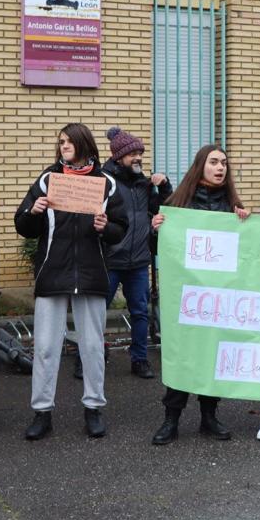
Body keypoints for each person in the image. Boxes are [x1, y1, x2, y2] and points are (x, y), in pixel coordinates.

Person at [14, 123, 127, 440]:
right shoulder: (47, 180)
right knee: (46, 348)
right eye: (60, 141)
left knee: (91, 346)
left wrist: (106, 226)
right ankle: (42, 412)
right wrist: (33, 211)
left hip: (91, 274)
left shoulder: (106, 184)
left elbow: (122, 228)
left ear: (83, 144)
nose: (63, 146)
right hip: (53, 273)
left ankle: (93, 408)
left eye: (68, 141)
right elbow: (23, 225)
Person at [149, 144, 248, 444]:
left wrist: (247, 225)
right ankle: (171, 418)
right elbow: (157, 251)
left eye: (224, 163)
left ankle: (209, 416)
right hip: (187, 299)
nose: (220, 168)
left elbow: (248, 254)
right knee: (182, 354)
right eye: (214, 162)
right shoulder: (179, 204)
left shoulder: (233, 208)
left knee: (212, 355)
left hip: (219, 299)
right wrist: (156, 231)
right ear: (200, 166)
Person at [102, 126, 171, 379]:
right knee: (97, 312)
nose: (138, 158)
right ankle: (90, 355)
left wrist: (163, 187)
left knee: (140, 311)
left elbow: (160, 208)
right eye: (133, 154)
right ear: (119, 156)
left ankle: (139, 359)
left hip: (139, 260)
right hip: (110, 260)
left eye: (140, 153)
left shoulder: (143, 183)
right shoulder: (104, 181)